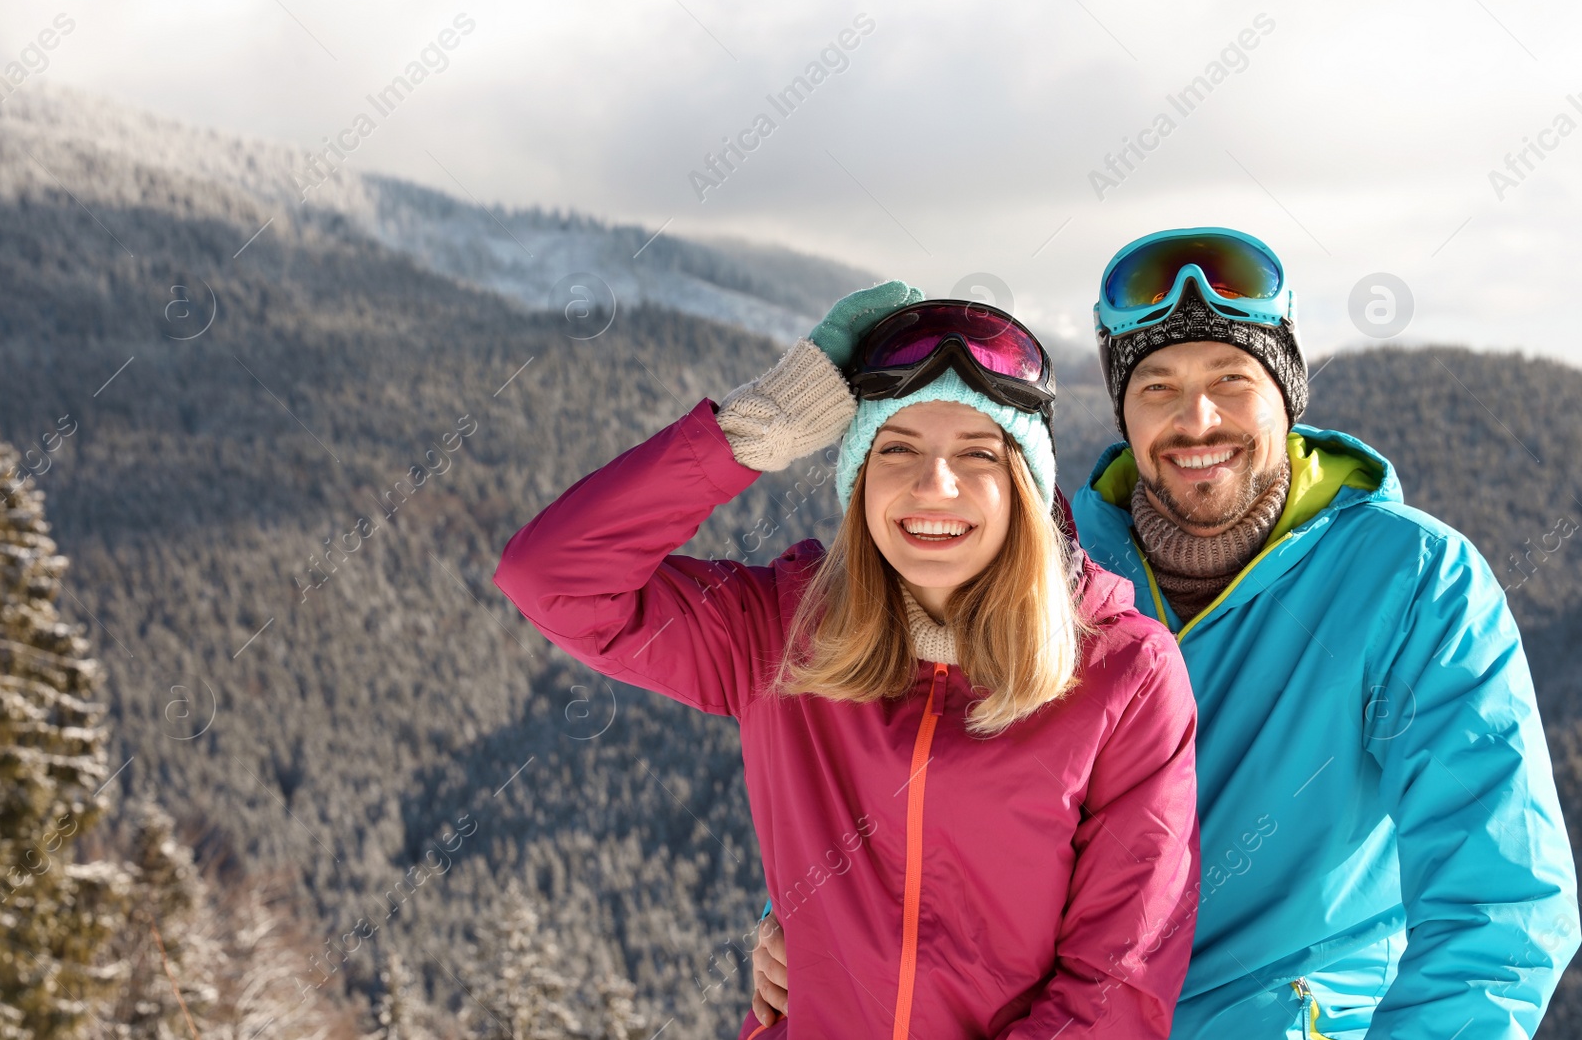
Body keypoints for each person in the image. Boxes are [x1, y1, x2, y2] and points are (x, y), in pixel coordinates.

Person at [751, 230, 1582, 1038]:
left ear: (1286, 396)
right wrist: (821, 914)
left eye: (1232, 378)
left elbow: (1502, 904)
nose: (1197, 418)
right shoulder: (1050, 571)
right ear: (1122, 411)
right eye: (1157, 387)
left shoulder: (1410, 580)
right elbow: (900, 750)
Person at [494, 282, 1201, 1038]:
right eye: (897, 449)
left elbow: (1116, 985)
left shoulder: (1123, 675)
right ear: (858, 480)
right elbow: (555, 578)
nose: (936, 485)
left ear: (1024, 487)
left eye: (977, 453)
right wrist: (755, 430)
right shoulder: (778, 635)